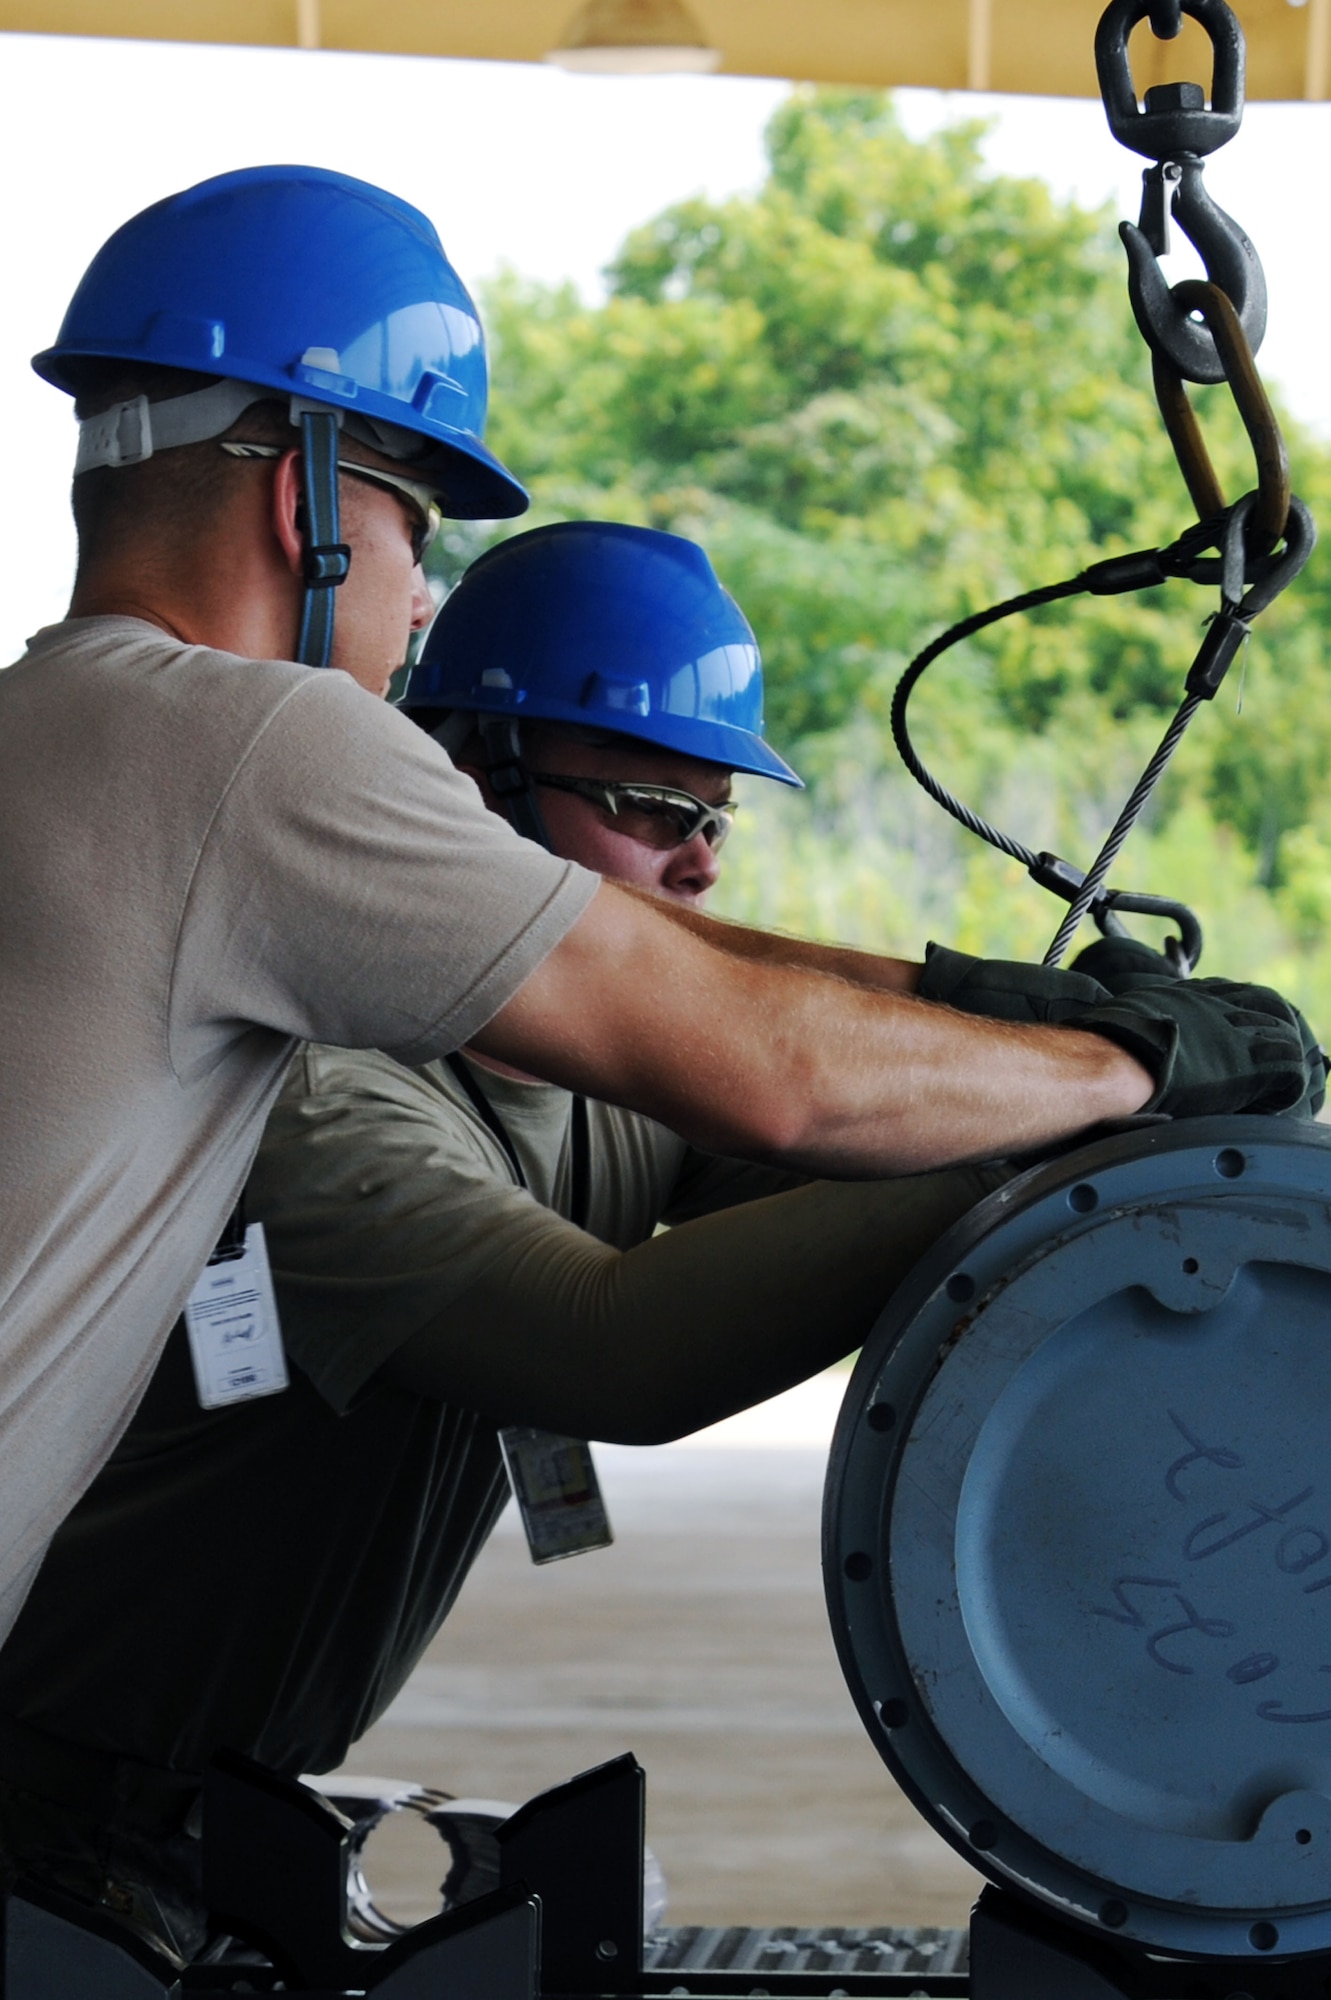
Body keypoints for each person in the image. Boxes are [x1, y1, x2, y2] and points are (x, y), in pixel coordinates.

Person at [0, 160, 1311, 1683]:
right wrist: (1119, 1078)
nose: (423, 601)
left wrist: (1002, 1022)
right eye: (420, 526)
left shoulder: (73, 731)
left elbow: (711, 999)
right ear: (308, 497)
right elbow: (767, 1077)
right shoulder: (244, 742)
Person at [0, 520, 1319, 1972]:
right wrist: (1077, 1090)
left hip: (204, 1811)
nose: (694, 862)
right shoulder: (314, 1088)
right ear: (462, 783)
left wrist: (1028, 1051)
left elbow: (821, 1103)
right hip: (47, 1820)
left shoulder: (582, 1091)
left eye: (716, 817)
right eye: (645, 802)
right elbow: (608, 1346)